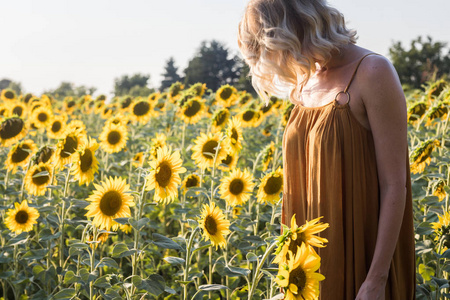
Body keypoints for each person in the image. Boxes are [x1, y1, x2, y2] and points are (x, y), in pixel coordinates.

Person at [237, 0, 416, 299]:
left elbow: (395, 184)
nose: (278, 61)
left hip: (365, 256)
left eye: (274, 49)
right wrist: (290, 271)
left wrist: (375, 281)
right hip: (310, 267)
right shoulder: (305, 82)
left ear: (293, 32)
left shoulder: (372, 71)